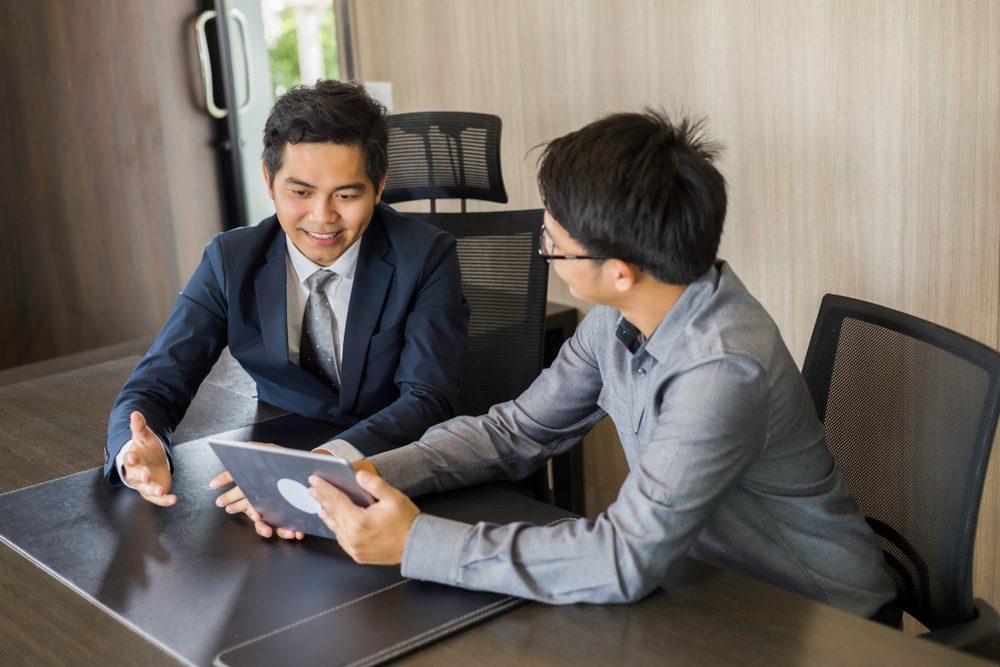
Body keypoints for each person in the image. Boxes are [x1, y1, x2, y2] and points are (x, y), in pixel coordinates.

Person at [305, 110, 898, 620]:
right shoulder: (623, 319)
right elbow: (517, 430)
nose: (547, 253)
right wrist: (353, 477)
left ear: (618, 270)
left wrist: (415, 541)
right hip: (704, 587)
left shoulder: (721, 369)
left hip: (815, 620)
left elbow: (624, 557)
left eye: (552, 244)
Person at [104, 80, 469, 530]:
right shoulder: (230, 260)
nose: (322, 217)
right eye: (300, 192)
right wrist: (139, 449)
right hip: (281, 444)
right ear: (268, 181)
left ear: (379, 188)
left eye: (346, 195)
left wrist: (311, 470)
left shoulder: (426, 255)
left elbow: (428, 397)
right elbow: (158, 382)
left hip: (391, 475)